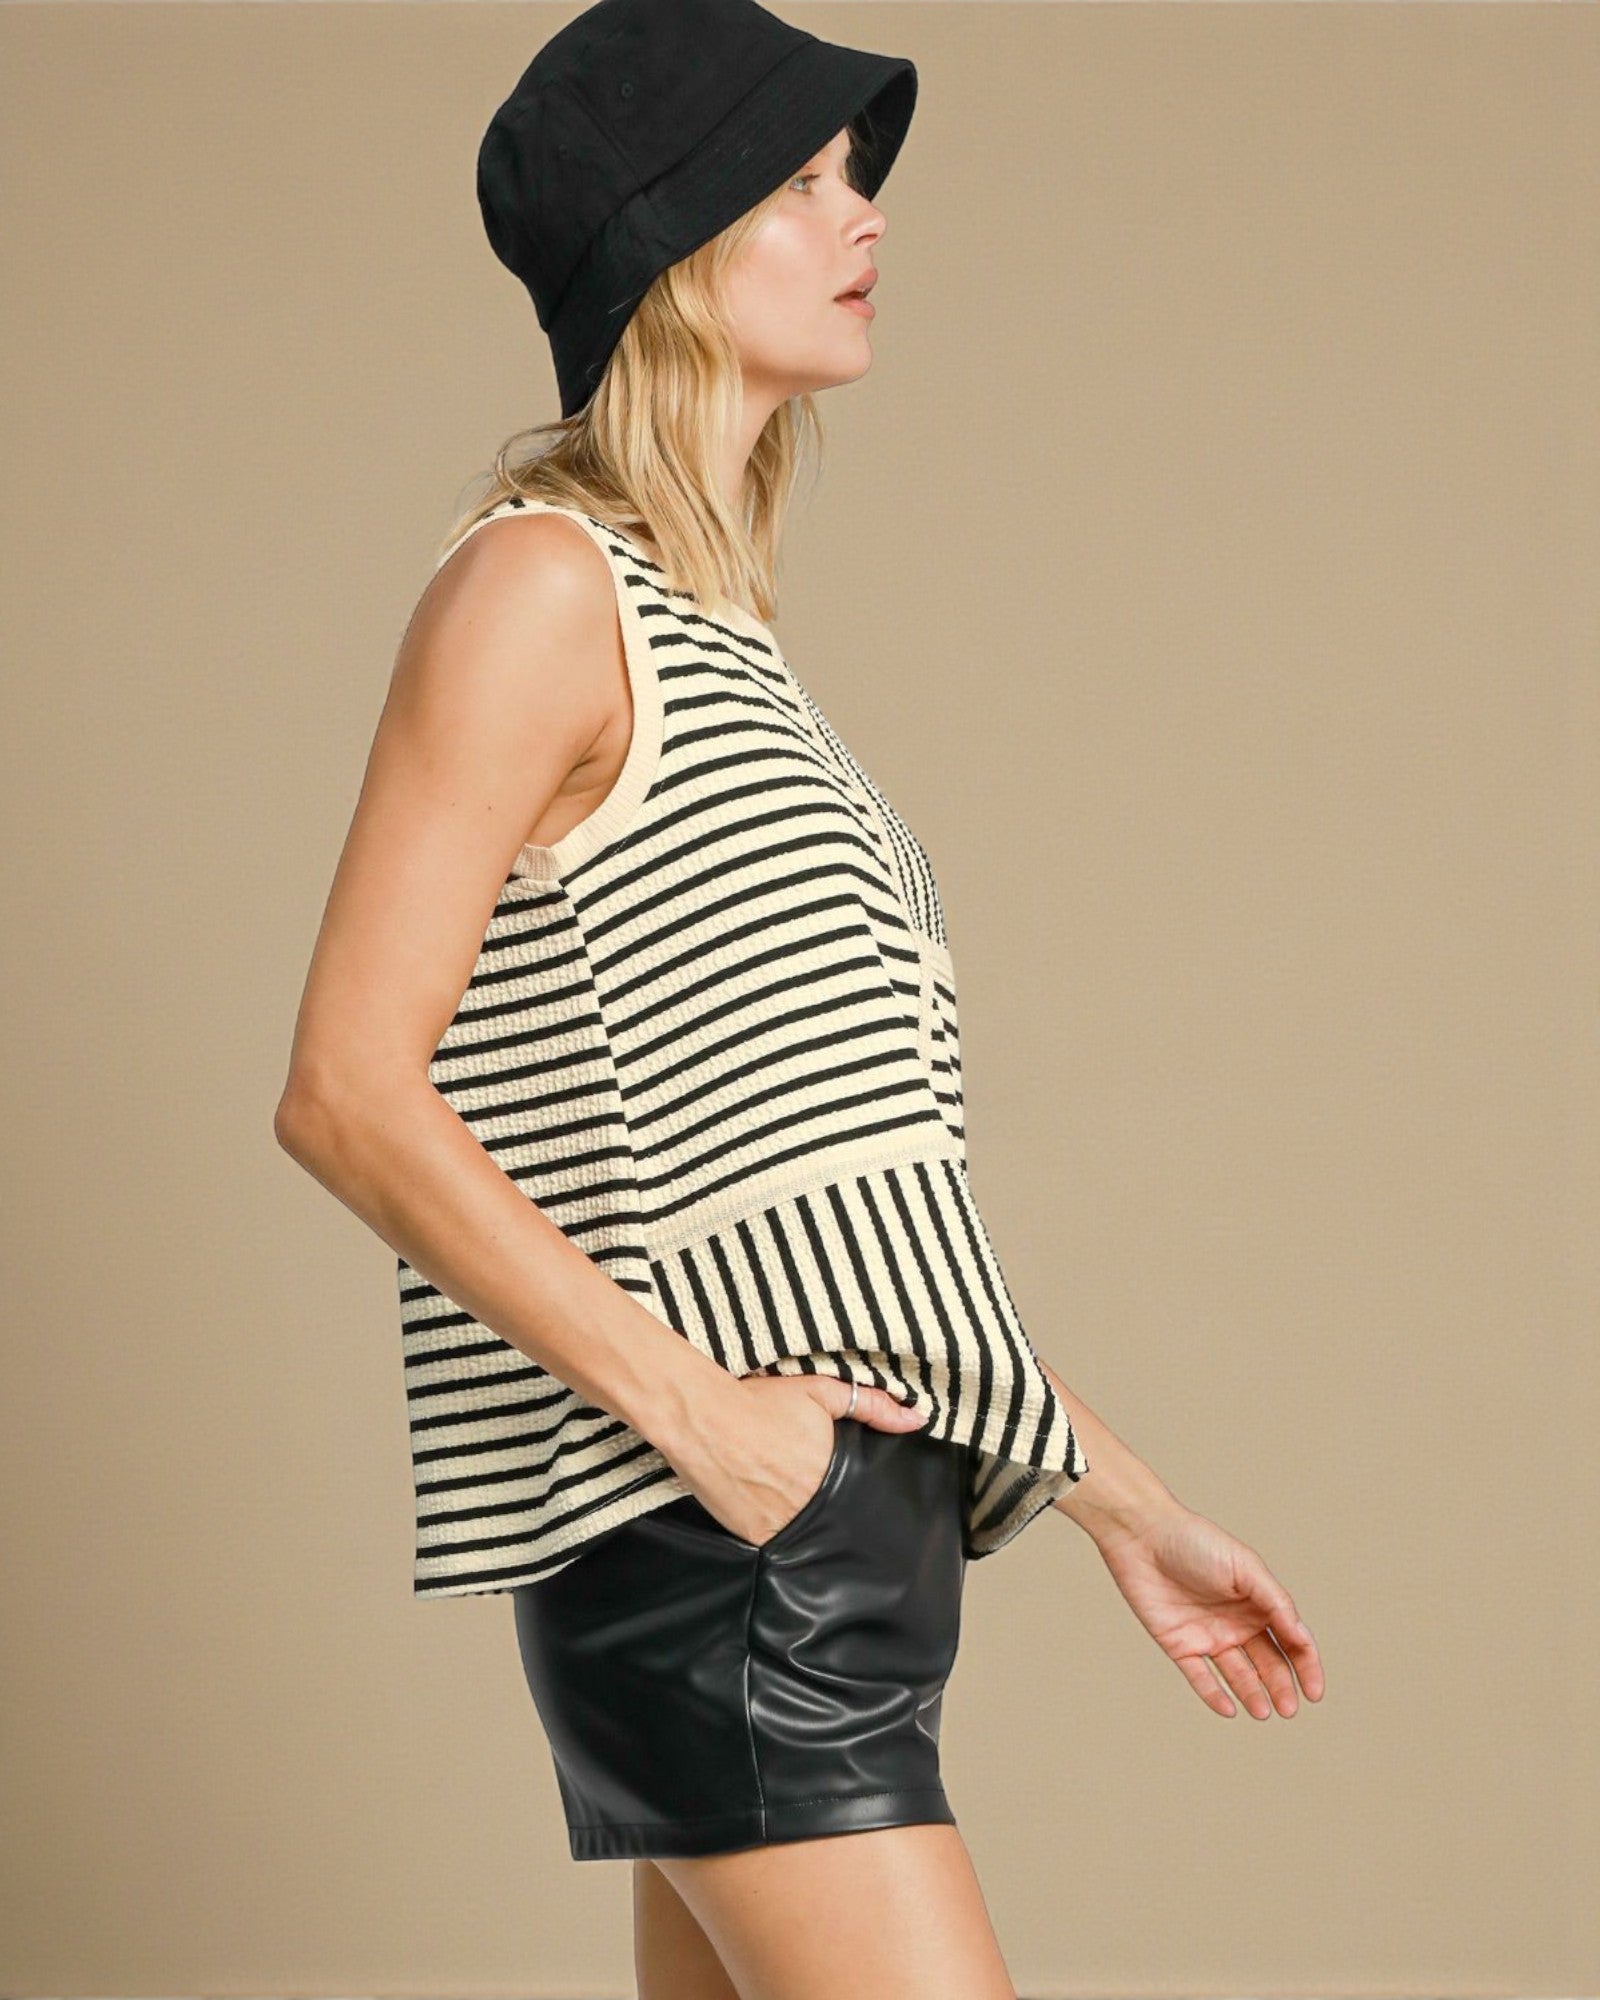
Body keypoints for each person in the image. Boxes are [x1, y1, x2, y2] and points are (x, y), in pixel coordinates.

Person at [274, 2, 1326, 1993]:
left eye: (858, 173)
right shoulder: (540, 592)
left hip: (827, 1550)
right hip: (722, 1557)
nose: (861, 216)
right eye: (794, 180)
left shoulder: (717, 641)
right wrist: (707, 1423)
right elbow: (344, 1084)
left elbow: (840, 1221)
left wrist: (1127, 1505)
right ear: (663, 247)